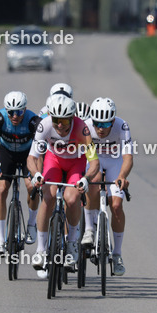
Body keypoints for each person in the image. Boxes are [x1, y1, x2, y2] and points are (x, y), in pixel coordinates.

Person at [27, 94, 99, 279]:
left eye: (65, 121)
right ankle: (41, 249)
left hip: (76, 163)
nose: (60, 125)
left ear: (72, 117)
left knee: (72, 198)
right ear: (51, 116)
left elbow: (94, 162)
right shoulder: (45, 125)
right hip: (54, 161)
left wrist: (86, 178)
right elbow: (32, 158)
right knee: (48, 196)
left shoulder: (82, 128)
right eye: (56, 120)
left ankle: (72, 243)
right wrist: (36, 174)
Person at [82, 97, 133, 276]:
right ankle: (89, 229)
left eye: (105, 124)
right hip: (93, 161)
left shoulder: (122, 126)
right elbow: (82, 154)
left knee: (117, 206)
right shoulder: (86, 126)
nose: (101, 129)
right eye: (97, 123)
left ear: (112, 121)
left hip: (114, 163)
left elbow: (128, 157)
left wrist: (122, 176)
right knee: (94, 182)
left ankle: (117, 254)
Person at [0, 91, 41, 254]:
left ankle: (31, 224)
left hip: (28, 154)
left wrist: (38, 173)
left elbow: (39, 151)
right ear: (6, 110)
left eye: (19, 112)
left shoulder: (33, 120)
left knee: (32, 187)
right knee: (2, 189)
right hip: (7, 153)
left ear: (25, 109)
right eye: (11, 112)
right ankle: (0, 240)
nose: (15, 116)